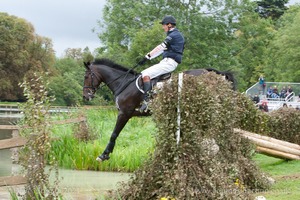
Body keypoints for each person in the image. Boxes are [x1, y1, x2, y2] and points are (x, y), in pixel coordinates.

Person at [138, 15, 185, 112]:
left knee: (145, 74)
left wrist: (147, 57)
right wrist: (148, 57)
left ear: (169, 25)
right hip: (167, 61)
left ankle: (147, 102)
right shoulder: (172, 35)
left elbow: (160, 47)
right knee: (145, 73)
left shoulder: (174, 35)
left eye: (163, 25)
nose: (163, 27)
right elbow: (161, 50)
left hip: (170, 62)